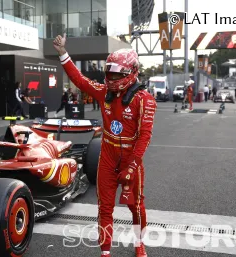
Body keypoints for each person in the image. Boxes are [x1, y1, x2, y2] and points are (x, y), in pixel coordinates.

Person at [53, 33, 155, 257]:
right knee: (104, 207)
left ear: (131, 72)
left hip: (131, 160)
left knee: (136, 206)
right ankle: (105, 252)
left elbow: (145, 136)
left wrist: (132, 165)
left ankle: (140, 243)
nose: (112, 76)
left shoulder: (144, 99)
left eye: (117, 73)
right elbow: (79, 80)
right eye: (109, 72)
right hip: (107, 158)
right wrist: (63, 53)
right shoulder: (103, 92)